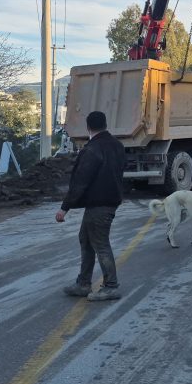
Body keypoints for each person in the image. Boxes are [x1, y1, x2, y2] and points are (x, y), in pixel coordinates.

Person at [57, 111, 127, 302]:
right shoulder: (118, 146)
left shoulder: (92, 150)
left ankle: (111, 286)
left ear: (88, 127)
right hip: (108, 202)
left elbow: (80, 181)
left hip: (99, 204)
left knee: (100, 244)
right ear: (105, 125)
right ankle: (83, 283)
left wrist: (64, 208)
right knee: (86, 240)